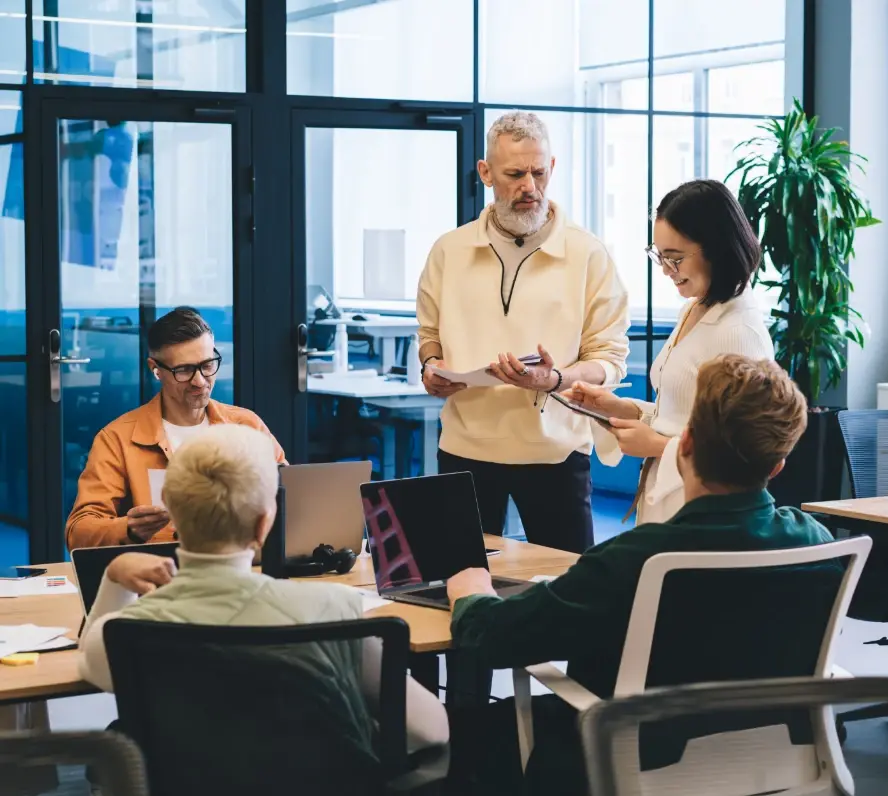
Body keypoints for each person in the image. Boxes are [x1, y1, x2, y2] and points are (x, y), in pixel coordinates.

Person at [445, 354, 831, 795]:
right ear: (776, 465)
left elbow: (497, 639)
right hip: (772, 758)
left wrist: (472, 593)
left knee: (466, 739)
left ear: (683, 445)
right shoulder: (816, 543)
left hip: (626, 759)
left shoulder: (637, 557)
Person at [78, 424, 449, 757]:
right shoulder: (333, 609)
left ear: (171, 514)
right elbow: (430, 730)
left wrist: (113, 579)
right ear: (263, 525)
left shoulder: (126, 631)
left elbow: (89, 661)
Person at [416, 111, 629, 554]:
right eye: (514, 174)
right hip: (464, 451)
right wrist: (430, 365)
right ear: (486, 173)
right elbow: (429, 331)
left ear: (552, 168)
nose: (528, 187)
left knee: (569, 590)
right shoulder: (449, 250)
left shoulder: (588, 254)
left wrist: (554, 380)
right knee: (454, 580)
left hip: (556, 453)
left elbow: (609, 360)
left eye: (538, 172)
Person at [563, 179, 774, 524]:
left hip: (706, 516)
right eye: (659, 256)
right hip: (670, 505)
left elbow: (746, 455)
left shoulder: (739, 331)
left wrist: (658, 447)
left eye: (674, 258)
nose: (664, 270)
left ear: (717, 248)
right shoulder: (695, 308)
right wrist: (622, 408)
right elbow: (683, 417)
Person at [66, 307, 286, 550]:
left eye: (207, 365)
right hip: (161, 575)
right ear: (155, 369)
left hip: (242, 568)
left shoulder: (247, 425)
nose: (199, 381)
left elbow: (290, 496)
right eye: (184, 370)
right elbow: (79, 531)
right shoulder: (117, 439)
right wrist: (128, 528)